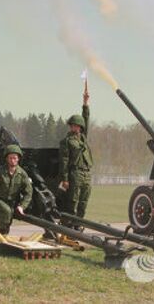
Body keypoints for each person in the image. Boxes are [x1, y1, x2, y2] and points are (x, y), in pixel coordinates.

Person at [59, 89, 93, 223]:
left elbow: (86, 119)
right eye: (73, 126)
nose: (75, 128)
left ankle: (78, 223)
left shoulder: (83, 138)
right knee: (73, 200)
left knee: (84, 201)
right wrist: (65, 179)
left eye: (77, 126)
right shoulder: (66, 142)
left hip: (86, 173)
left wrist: (85, 103)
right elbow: (64, 161)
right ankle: (69, 224)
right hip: (75, 173)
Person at [0, 145, 33, 235]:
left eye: (15, 158)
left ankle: (1, 236)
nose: (12, 160)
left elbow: (28, 193)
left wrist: (22, 206)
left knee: (8, 215)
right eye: (10, 158)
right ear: (6, 159)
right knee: (6, 211)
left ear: (18, 159)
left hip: (12, 204)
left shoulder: (22, 174)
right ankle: (0, 236)